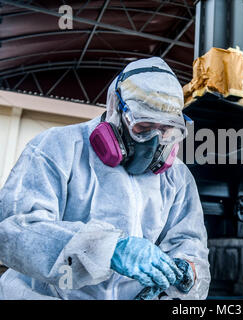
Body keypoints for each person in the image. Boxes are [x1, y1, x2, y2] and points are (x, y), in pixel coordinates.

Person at [0, 57, 211, 300]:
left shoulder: (177, 177)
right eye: (142, 127)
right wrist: (108, 249)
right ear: (115, 109)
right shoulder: (58, 147)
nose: (154, 141)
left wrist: (184, 272)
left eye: (165, 130)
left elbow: (189, 244)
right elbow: (16, 229)